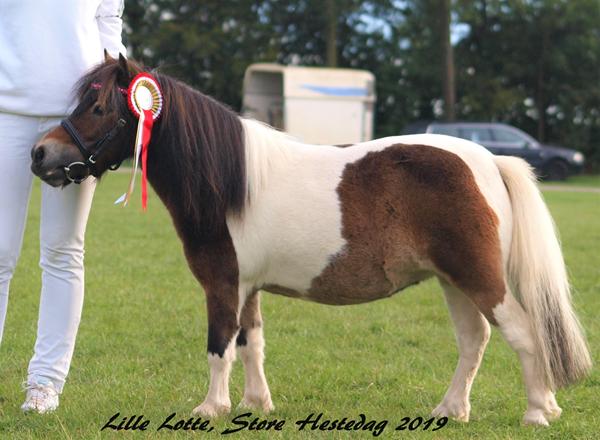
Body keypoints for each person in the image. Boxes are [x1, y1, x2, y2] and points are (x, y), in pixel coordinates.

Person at [0, 0, 126, 413]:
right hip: (4, 111)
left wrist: (112, 83)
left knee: (62, 250)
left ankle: (45, 383)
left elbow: (108, 16)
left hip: (75, 120)